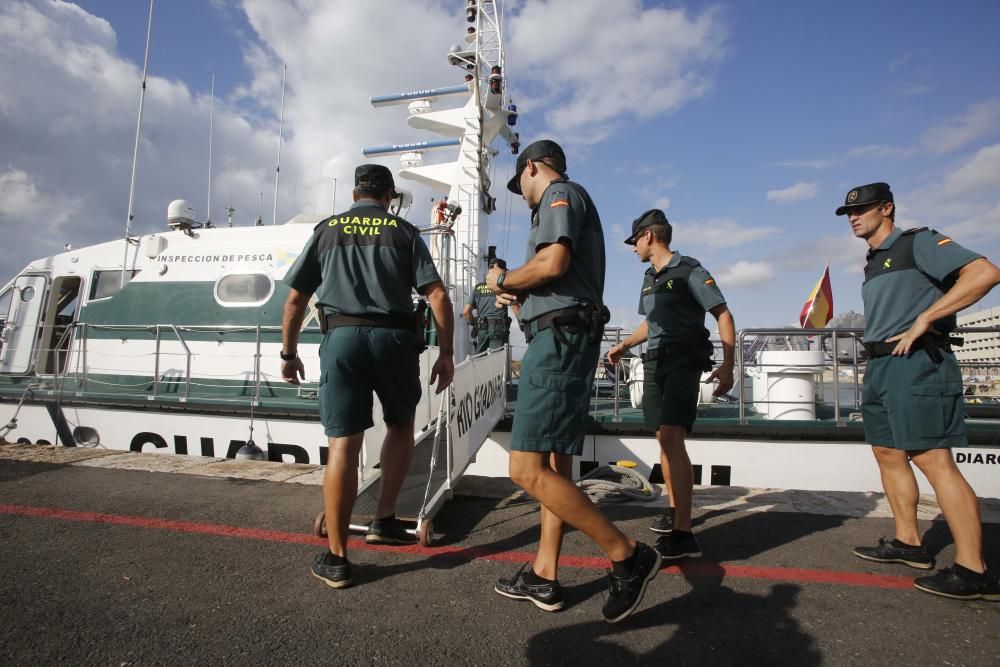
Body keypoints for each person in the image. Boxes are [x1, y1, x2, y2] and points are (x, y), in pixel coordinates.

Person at [487, 139, 661, 623]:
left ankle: (627, 553)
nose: (521, 194)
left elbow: (553, 264)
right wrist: (519, 298)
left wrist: (502, 280)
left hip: (559, 344)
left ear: (532, 170)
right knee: (555, 470)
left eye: (519, 182)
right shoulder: (565, 199)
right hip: (561, 333)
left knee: (524, 471)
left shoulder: (559, 195)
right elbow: (558, 282)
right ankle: (544, 574)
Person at [280, 164, 454, 589]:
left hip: (342, 339)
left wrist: (288, 353)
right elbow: (436, 294)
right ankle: (384, 520)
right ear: (390, 196)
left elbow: (296, 299)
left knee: (343, 442)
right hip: (395, 339)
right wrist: (446, 353)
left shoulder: (327, 230)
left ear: (355, 191)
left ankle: (338, 558)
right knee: (400, 424)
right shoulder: (404, 233)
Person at [837, 182, 1000, 600]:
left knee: (933, 459)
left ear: (887, 208)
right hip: (882, 364)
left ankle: (973, 569)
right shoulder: (874, 260)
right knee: (888, 452)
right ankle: (909, 543)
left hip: (917, 363)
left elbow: (986, 273)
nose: (855, 217)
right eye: (850, 213)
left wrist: (928, 316)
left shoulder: (918, 243)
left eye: (864, 210)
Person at [607, 209, 736, 560]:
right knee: (663, 439)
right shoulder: (649, 277)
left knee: (672, 438)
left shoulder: (690, 271)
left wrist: (728, 365)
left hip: (682, 360)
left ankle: (684, 533)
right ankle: (676, 510)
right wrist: (624, 345)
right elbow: (651, 322)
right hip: (654, 362)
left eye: (634, 240)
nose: (633, 247)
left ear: (649, 236)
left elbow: (722, 313)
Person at [464, 258, 515, 354]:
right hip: (498, 328)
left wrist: (473, 324)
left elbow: (466, 311)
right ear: (501, 270)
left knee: (480, 359)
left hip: (481, 328)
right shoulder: (504, 286)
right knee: (496, 359)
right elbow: (514, 303)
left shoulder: (478, 288)